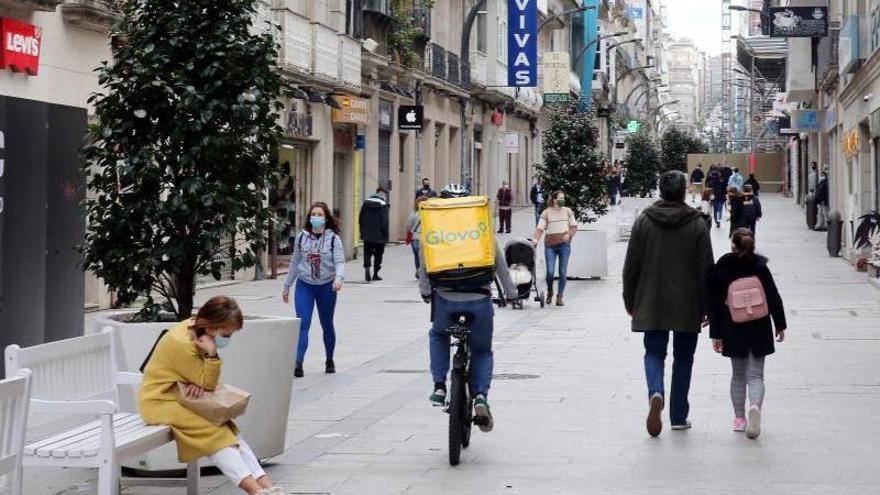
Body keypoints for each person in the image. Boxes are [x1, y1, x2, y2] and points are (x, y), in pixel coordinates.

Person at [139, 297, 284, 495]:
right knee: (215, 433)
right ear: (211, 326)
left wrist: (195, 380)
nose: (228, 338)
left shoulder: (195, 330)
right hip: (160, 401)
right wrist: (212, 355)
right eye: (226, 333)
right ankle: (255, 491)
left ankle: (267, 487)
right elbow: (207, 384)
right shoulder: (184, 342)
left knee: (228, 429)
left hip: (179, 398)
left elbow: (203, 383)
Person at [622, 171, 714, 437]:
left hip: (652, 300)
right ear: (684, 191)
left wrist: (631, 300)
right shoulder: (697, 224)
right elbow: (706, 268)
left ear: (661, 191)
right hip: (687, 304)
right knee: (684, 357)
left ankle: (656, 393)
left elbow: (631, 267)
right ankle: (678, 416)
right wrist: (708, 306)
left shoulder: (644, 222)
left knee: (654, 353)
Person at [421, 183, 518, 433]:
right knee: (482, 350)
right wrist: (511, 293)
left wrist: (424, 292)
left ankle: (440, 385)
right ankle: (480, 396)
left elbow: (425, 266)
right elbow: (501, 266)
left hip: (445, 298)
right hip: (479, 298)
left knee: (439, 334)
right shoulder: (482, 231)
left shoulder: (434, 233)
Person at [709, 228, 786, 440]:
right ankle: (755, 406)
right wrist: (780, 324)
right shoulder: (760, 267)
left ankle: (739, 418)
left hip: (733, 328)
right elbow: (773, 295)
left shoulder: (723, 268)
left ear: (733, 244)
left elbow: (715, 303)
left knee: (738, 375)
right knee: (756, 375)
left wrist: (716, 334)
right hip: (759, 325)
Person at [282, 202, 345, 378]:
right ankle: (298, 362)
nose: (316, 217)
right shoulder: (302, 237)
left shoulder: (333, 239)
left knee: (327, 324)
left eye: (320, 215)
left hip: (327, 286)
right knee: (303, 323)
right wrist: (287, 286)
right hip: (305, 285)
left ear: (326, 218)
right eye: (314, 214)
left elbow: (339, 261)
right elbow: (295, 262)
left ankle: (330, 358)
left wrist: (339, 279)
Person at [532, 190, 578, 307]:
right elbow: (540, 229)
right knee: (550, 272)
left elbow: (573, 227)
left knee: (563, 272)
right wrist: (535, 240)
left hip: (564, 246)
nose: (562, 200)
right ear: (554, 199)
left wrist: (569, 234)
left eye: (563, 198)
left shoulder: (568, 211)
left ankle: (559, 296)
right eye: (560, 198)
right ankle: (550, 291)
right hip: (550, 246)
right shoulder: (546, 213)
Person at [359, 188, 390, 281]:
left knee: (367, 252)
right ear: (383, 195)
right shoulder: (384, 205)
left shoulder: (366, 203)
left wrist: (362, 231)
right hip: (380, 235)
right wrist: (386, 234)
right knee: (378, 254)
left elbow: (361, 218)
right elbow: (385, 221)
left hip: (367, 234)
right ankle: (375, 273)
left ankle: (367, 266)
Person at [406, 196, 427, 278]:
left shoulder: (414, 213)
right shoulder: (430, 212)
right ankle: (425, 271)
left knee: (417, 256)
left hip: (415, 237)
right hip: (427, 237)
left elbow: (408, 225)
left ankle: (418, 271)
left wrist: (408, 232)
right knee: (425, 256)